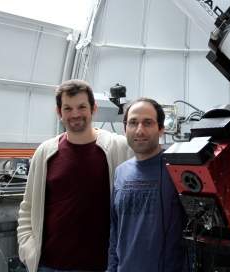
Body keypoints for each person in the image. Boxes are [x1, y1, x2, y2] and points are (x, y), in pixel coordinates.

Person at [17, 79, 133, 272]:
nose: (75, 114)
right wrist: (27, 247)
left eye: (81, 107)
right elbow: (27, 207)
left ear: (93, 108)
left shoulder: (118, 147)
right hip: (49, 265)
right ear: (59, 112)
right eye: (68, 108)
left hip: (101, 265)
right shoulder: (45, 152)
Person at [108, 98, 186, 272]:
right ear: (125, 128)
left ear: (161, 129)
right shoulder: (120, 172)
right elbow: (115, 230)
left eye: (148, 123)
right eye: (133, 123)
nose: (139, 130)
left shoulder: (179, 170)